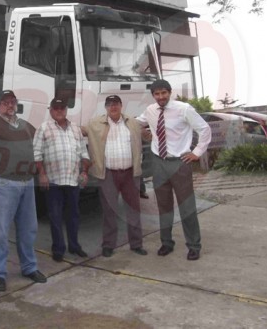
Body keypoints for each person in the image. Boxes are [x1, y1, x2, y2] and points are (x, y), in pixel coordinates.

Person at [0, 90, 47, 292]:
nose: (10, 106)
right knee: (1, 231)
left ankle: (29, 268)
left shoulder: (24, 125)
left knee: (28, 228)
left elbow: (40, 140)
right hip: (3, 184)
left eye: (13, 102)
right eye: (5, 103)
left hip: (27, 182)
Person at [137, 80, 211, 261]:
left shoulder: (184, 109)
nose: (161, 97)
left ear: (170, 92)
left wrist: (196, 153)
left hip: (180, 163)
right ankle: (167, 243)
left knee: (187, 207)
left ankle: (194, 245)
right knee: (163, 206)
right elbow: (135, 123)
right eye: (157, 94)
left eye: (164, 93)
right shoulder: (150, 110)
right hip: (159, 163)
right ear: (153, 95)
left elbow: (204, 129)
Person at [84, 95, 147, 258]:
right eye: (109, 104)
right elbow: (77, 131)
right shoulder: (94, 124)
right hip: (108, 175)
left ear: (121, 105)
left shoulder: (132, 123)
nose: (113, 107)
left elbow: (148, 133)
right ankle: (108, 245)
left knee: (133, 210)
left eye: (116, 104)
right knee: (109, 211)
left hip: (130, 174)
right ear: (105, 107)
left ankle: (136, 244)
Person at [33, 98, 90, 262]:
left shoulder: (75, 129)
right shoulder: (44, 128)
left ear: (66, 110)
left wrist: (85, 172)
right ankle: (58, 248)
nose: (59, 111)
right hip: (53, 181)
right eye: (56, 108)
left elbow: (83, 154)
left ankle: (74, 246)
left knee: (73, 215)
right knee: (55, 216)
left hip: (73, 180)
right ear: (50, 110)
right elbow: (37, 154)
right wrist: (42, 174)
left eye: (62, 108)